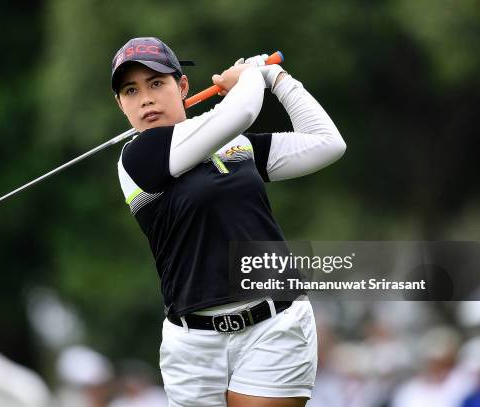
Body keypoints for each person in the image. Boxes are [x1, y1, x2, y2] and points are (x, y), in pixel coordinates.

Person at [113, 36, 346, 407]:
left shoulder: (236, 146)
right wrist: (249, 76)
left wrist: (277, 78)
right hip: (191, 346)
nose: (145, 99)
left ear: (183, 86)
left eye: (156, 83)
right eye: (130, 91)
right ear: (121, 104)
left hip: (275, 325)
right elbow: (240, 112)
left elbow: (326, 142)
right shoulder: (137, 159)